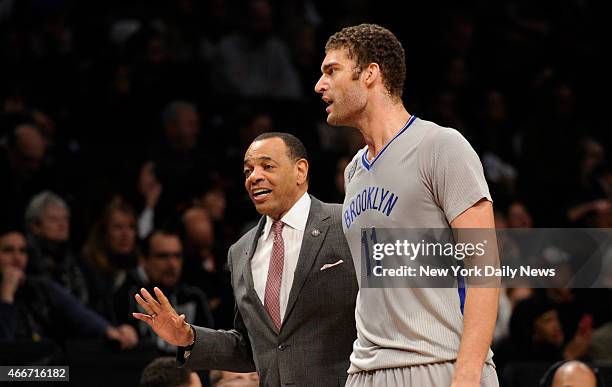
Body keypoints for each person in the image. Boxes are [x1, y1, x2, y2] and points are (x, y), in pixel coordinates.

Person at [314, 24, 499, 386]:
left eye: (331, 71)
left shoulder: (441, 146)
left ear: (370, 73)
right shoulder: (353, 171)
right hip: (366, 369)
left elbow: (485, 265)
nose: (320, 85)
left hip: (439, 362)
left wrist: (467, 371)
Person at [133, 132, 358, 386]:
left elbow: (395, 304)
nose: (254, 177)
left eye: (267, 166)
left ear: (300, 171)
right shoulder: (239, 251)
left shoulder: (348, 222)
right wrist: (188, 337)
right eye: (248, 170)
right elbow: (248, 346)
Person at [0, 226, 137, 349]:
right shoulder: (7, 293)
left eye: (22, 251)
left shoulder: (40, 286)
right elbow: (5, 348)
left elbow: (77, 312)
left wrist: (112, 331)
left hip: (41, 370)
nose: (17, 258)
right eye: (8, 250)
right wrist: (6, 295)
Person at [114, 228, 213, 353]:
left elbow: (209, 345)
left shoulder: (194, 297)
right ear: (144, 260)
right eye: (163, 256)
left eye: (177, 256)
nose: (172, 264)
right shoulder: (130, 295)